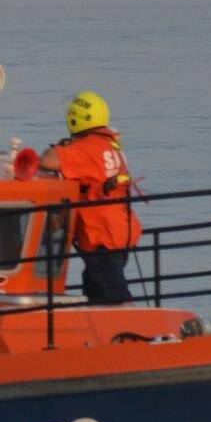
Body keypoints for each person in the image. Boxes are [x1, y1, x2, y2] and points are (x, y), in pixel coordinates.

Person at [49, 89, 141, 305]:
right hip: (120, 232)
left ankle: (135, 332)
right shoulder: (110, 145)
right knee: (93, 285)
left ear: (74, 118)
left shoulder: (87, 148)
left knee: (116, 295)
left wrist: (60, 148)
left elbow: (49, 160)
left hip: (101, 236)